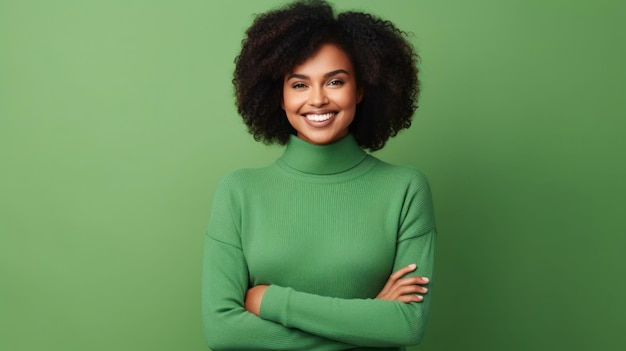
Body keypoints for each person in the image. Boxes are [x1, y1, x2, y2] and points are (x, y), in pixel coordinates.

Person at [201, 1, 436, 350]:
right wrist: (370, 319)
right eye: (299, 85)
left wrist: (270, 301)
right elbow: (222, 332)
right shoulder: (239, 192)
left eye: (335, 81)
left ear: (360, 89)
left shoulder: (405, 189)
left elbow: (407, 327)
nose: (317, 99)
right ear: (279, 96)